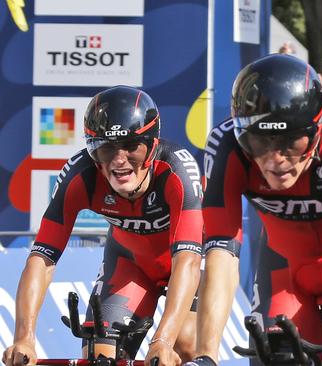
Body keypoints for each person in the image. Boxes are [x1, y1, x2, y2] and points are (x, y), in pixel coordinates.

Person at [190, 54, 322, 366]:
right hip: (287, 264)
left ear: (317, 131)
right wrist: (205, 355)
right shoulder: (226, 145)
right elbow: (221, 255)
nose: (275, 160)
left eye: (292, 142)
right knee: (277, 354)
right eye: (259, 142)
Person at [2, 86, 203, 366]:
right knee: (100, 354)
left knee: (185, 346)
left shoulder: (176, 170)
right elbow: (42, 258)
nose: (119, 161)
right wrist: (24, 337)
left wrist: (163, 341)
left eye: (131, 146)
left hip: (182, 264)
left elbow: (188, 261)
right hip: (130, 265)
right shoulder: (80, 175)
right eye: (106, 148)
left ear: (152, 145)